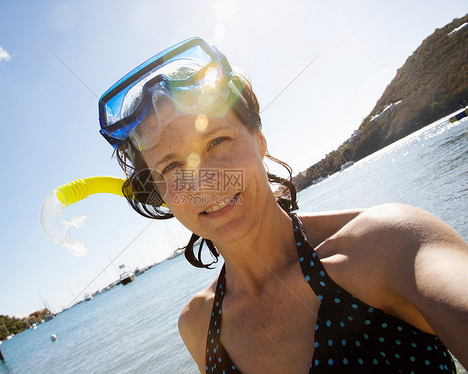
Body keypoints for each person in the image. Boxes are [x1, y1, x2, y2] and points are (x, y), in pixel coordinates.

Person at [98, 37, 468, 373]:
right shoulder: (198, 324)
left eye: (216, 142)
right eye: (173, 166)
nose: (203, 182)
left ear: (259, 141)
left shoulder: (388, 245)